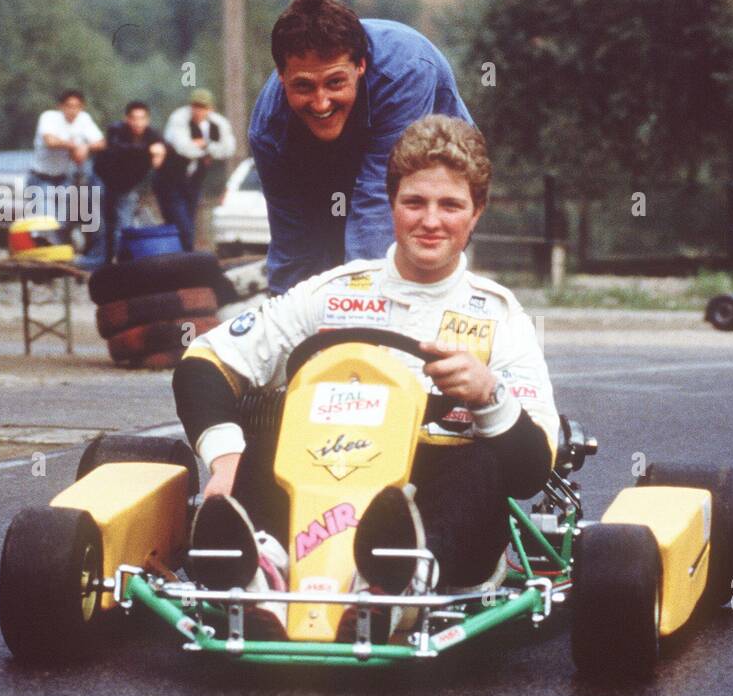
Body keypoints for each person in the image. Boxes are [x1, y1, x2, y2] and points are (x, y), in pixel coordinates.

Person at [173, 116, 556, 636]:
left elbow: (532, 470)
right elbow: (205, 362)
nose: (430, 222)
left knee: (480, 465)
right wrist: (225, 456)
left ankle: (397, 577)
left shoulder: (501, 316)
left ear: (477, 212)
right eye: (414, 203)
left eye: (450, 206)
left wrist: (491, 396)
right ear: (391, 203)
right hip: (322, 469)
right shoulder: (330, 293)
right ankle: (259, 568)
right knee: (264, 443)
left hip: (436, 492)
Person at [248, 0, 473, 295]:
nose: (320, 102)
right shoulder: (268, 130)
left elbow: (376, 204)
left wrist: (359, 314)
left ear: (361, 66)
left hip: (432, 163)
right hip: (335, 174)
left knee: (416, 258)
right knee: (318, 272)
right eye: (303, 86)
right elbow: (292, 244)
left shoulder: (404, 71)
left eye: (335, 82)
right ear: (281, 75)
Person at [85, 101, 167, 268]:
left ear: (147, 120)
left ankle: (122, 262)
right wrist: (148, 151)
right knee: (99, 220)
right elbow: (120, 148)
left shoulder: (153, 135)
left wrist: (160, 151)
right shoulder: (116, 130)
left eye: (142, 118)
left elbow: (162, 153)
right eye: (134, 118)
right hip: (103, 178)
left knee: (124, 225)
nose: (138, 123)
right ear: (127, 119)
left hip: (126, 185)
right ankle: (97, 258)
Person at [153, 89, 237, 251]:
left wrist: (205, 144)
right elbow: (183, 148)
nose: (198, 111)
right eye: (195, 106)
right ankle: (185, 259)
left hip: (193, 182)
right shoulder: (179, 119)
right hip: (170, 181)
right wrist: (208, 149)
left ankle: (179, 259)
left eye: (203, 107)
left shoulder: (217, 123)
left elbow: (228, 149)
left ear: (210, 109)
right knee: (181, 226)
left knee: (188, 223)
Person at [28, 89, 105, 243]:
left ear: (82, 107)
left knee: (63, 223)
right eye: (69, 106)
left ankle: (59, 258)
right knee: (45, 222)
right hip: (41, 177)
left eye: (77, 106)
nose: (73, 110)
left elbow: (101, 143)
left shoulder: (84, 119)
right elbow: (50, 141)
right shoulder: (49, 117)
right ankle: (42, 256)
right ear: (61, 107)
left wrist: (86, 148)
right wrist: (75, 146)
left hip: (63, 178)